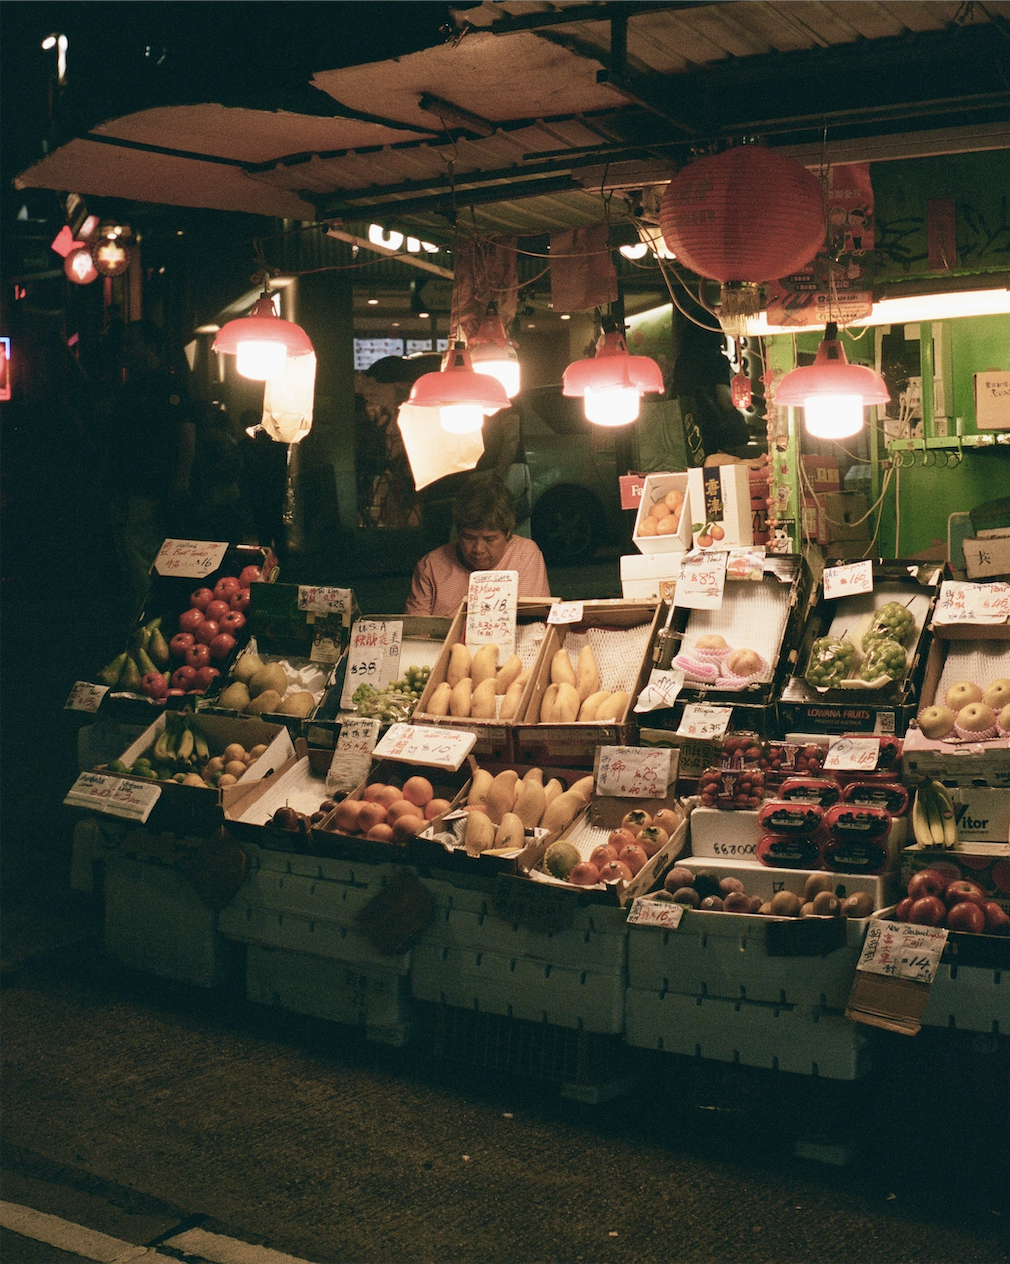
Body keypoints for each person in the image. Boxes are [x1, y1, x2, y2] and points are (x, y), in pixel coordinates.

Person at [404, 472, 550, 617]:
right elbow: (418, 629)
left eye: (490, 539)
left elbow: (534, 618)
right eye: (469, 537)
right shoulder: (431, 567)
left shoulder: (524, 555)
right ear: (458, 532)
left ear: (507, 534)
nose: (478, 549)